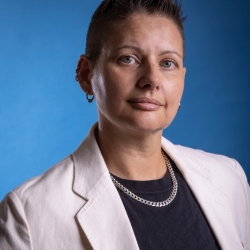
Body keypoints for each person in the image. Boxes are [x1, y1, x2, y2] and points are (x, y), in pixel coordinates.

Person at [0, 0, 249, 249]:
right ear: (86, 74)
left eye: (167, 63)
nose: (152, 79)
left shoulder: (229, 179)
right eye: (128, 59)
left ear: (182, 79)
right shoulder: (29, 213)